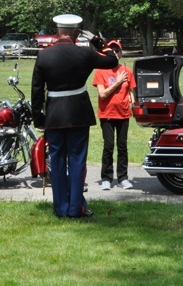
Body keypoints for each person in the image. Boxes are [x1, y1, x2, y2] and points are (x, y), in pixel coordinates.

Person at [31, 14, 118, 218]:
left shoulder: (44, 56)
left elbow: (36, 91)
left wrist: (39, 118)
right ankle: (75, 208)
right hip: (78, 114)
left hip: (54, 116)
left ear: (58, 31)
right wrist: (97, 41)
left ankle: (61, 208)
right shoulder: (85, 53)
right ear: (76, 33)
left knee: (57, 162)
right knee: (77, 161)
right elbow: (112, 60)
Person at [92, 40, 136, 190]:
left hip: (123, 114)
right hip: (107, 114)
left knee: (122, 146)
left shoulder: (127, 71)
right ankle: (106, 178)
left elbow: (130, 93)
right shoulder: (100, 71)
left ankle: (123, 178)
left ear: (121, 53)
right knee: (108, 146)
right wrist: (117, 82)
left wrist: (133, 105)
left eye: (117, 50)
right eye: (112, 51)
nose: (115, 53)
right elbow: (102, 94)